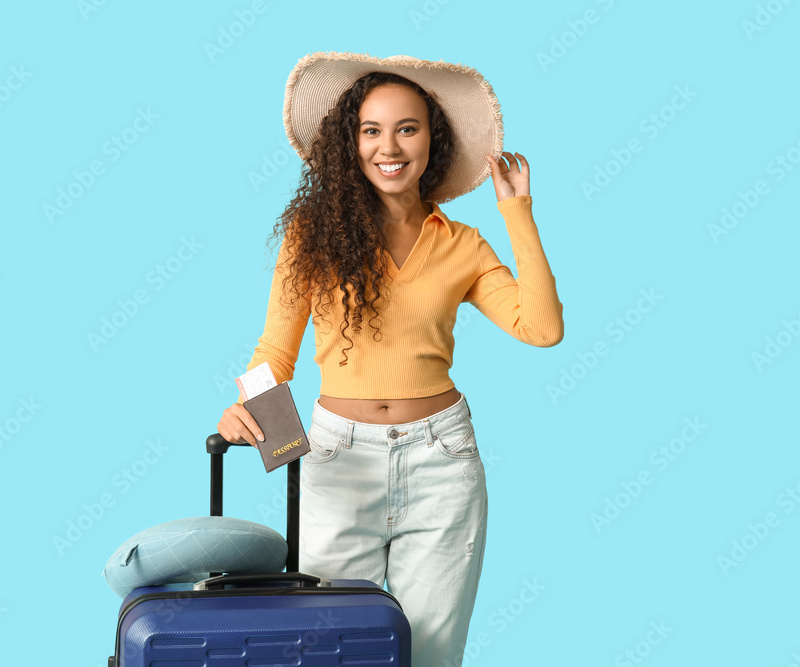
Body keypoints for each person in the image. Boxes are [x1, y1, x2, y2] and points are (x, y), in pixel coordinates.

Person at [217, 51, 564, 667]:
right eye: (370, 130)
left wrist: (517, 212)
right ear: (349, 142)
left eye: (408, 128)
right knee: (328, 649)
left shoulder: (462, 243)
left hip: (443, 461)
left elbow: (540, 329)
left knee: (428, 656)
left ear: (434, 138)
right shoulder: (313, 232)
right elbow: (275, 352)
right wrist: (243, 410)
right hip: (336, 460)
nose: (390, 146)